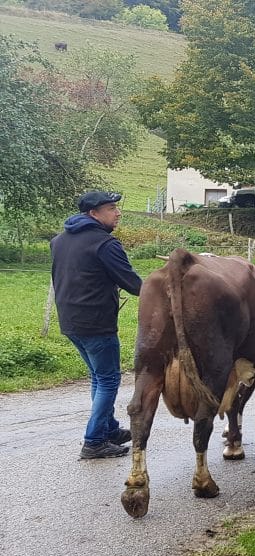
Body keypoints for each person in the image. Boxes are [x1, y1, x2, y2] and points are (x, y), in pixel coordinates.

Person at [50, 191, 143, 460]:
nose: (118, 213)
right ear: (94, 213)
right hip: (97, 324)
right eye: (111, 208)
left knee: (98, 377)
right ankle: (93, 442)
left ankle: (108, 429)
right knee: (108, 380)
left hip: (71, 321)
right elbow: (133, 284)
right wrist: (165, 287)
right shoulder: (104, 244)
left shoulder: (59, 241)